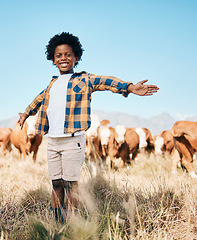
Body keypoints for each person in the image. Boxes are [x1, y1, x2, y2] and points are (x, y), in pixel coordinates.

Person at [18, 32, 159, 223]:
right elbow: (39, 99)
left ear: (76, 58)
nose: (63, 58)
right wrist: (26, 113)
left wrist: (129, 87)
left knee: (70, 184)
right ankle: (55, 222)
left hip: (73, 141)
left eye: (68, 55)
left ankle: (71, 222)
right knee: (56, 184)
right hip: (52, 141)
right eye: (59, 55)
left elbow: (106, 81)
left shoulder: (84, 80)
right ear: (53, 59)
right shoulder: (51, 84)